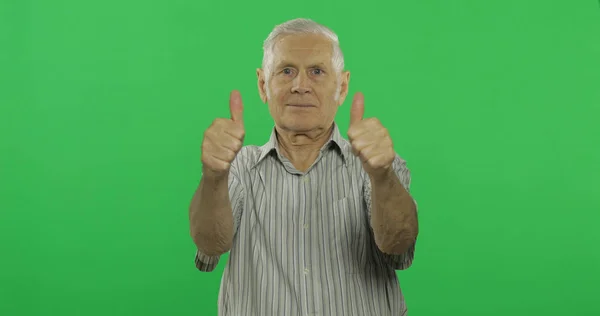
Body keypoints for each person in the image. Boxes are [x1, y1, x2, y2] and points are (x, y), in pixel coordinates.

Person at [188, 18, 419, 316]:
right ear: (262, 85)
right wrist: (214, 175)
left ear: (342, 86)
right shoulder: (237, 167)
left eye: (317, 72)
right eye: (286, 71)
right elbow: (210, 243)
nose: (300, 86)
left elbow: (398, 245)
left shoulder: (378, 165)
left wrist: (382, 176)